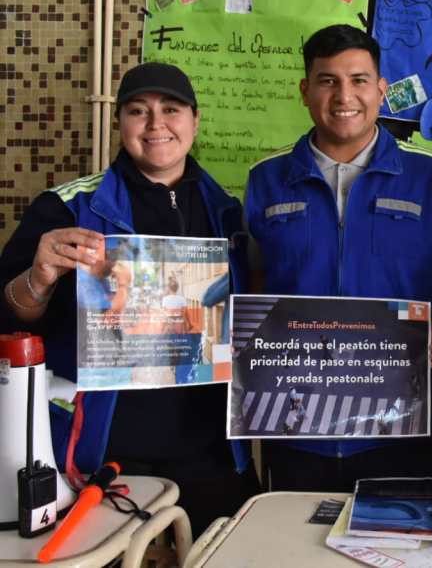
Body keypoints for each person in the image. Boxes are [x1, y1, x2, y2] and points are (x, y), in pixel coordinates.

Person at [0, 62, 261, 536]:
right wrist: (38, 278)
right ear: (120, 122)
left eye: (171, 110)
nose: (156, 124)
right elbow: (9, 317)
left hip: (210, 449)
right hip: (103, 451)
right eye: (139, 111)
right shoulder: (67, 208)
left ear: (195, 121)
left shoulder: (230, 215)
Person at [245, 24, 432, 491]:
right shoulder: (265, 181)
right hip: (296, 425)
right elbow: (255, 275)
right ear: (305, 90)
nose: (343, 96)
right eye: (327, 80)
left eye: (358, 80)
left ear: (381, 90)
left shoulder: (431, 176)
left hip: (402, 423)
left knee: (402, 553)